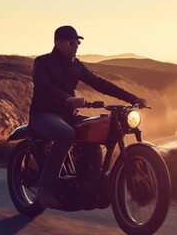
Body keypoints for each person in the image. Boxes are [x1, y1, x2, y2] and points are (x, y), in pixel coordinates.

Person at [29, 25, 146, 208]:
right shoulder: (43, 62)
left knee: (100, 128)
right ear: (58, 42)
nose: (76, 46)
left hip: (68, 116)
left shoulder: (76, 65)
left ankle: (92, 179)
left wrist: (133, 98)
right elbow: (43, 86)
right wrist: (66, 98)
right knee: (65, 134)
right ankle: (45, 189)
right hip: (43, 115)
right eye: (71, 42)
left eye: (78, 42)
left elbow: (99, 83)